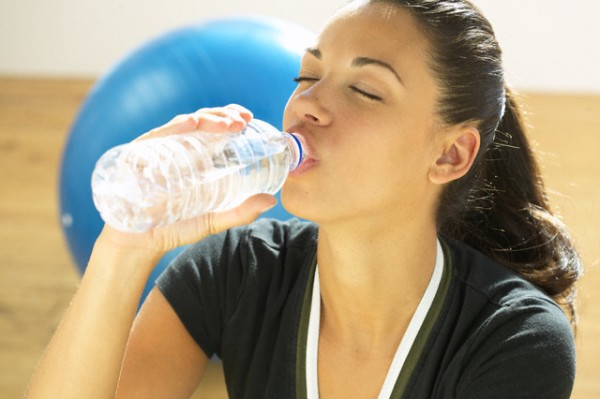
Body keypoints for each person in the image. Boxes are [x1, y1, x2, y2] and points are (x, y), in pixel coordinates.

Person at [27, 0, 582, 398]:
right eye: (307, 74)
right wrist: (123, 247)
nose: (307, 105)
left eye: (365, 90)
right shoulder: (233, 272)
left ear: (450, 156)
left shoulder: (513, 338)